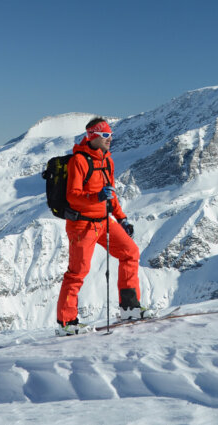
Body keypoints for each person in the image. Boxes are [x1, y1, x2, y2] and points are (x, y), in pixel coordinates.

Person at [56, 118, 147, 335]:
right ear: (93, 136)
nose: (110, 139)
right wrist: (96, 196)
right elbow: (72, 197)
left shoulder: (108, 160)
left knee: (130, 253)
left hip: (105, 222)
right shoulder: (78, 161)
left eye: (110, 135)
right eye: (105, 135)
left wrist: (121, 218)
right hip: (82, 226)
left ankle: (129, 308)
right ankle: (66, 324)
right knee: (77, 273)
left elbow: (111, 193)